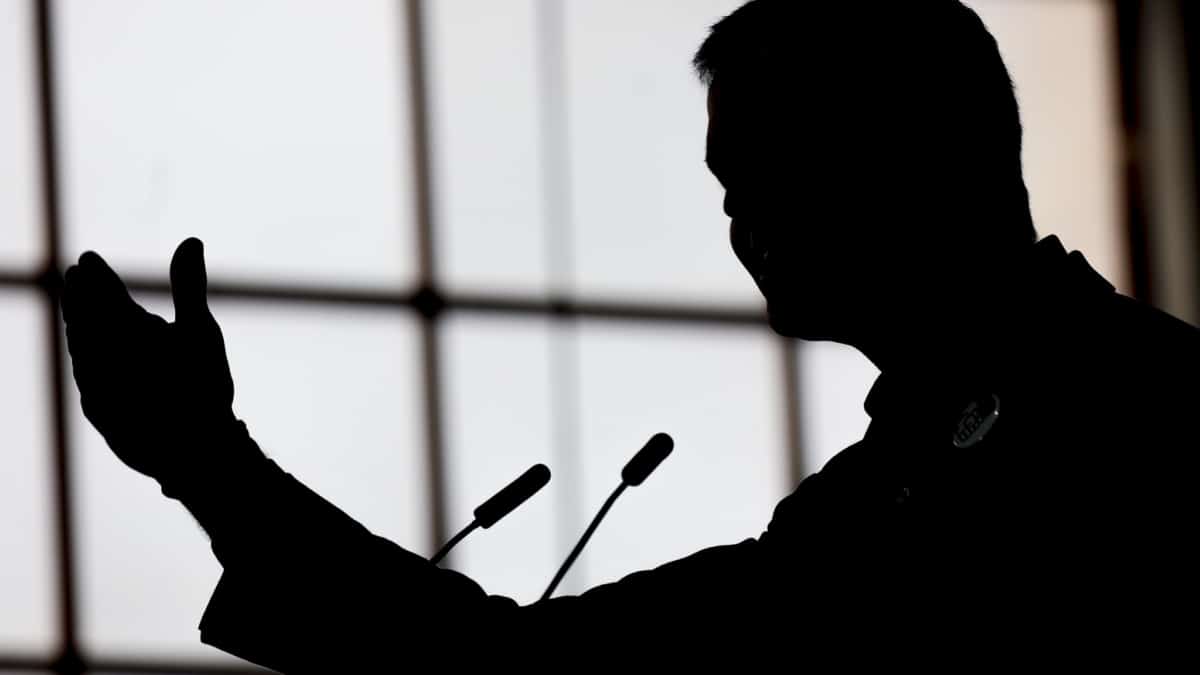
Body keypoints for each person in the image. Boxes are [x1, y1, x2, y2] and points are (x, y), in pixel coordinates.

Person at [61, 0, 1197, 669]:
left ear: (920, 152)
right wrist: (208, 464)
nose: (742, 224)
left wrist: (211, 466)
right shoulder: (862, 499)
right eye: (726, 189)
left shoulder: (1153, 410)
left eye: (773, 173)